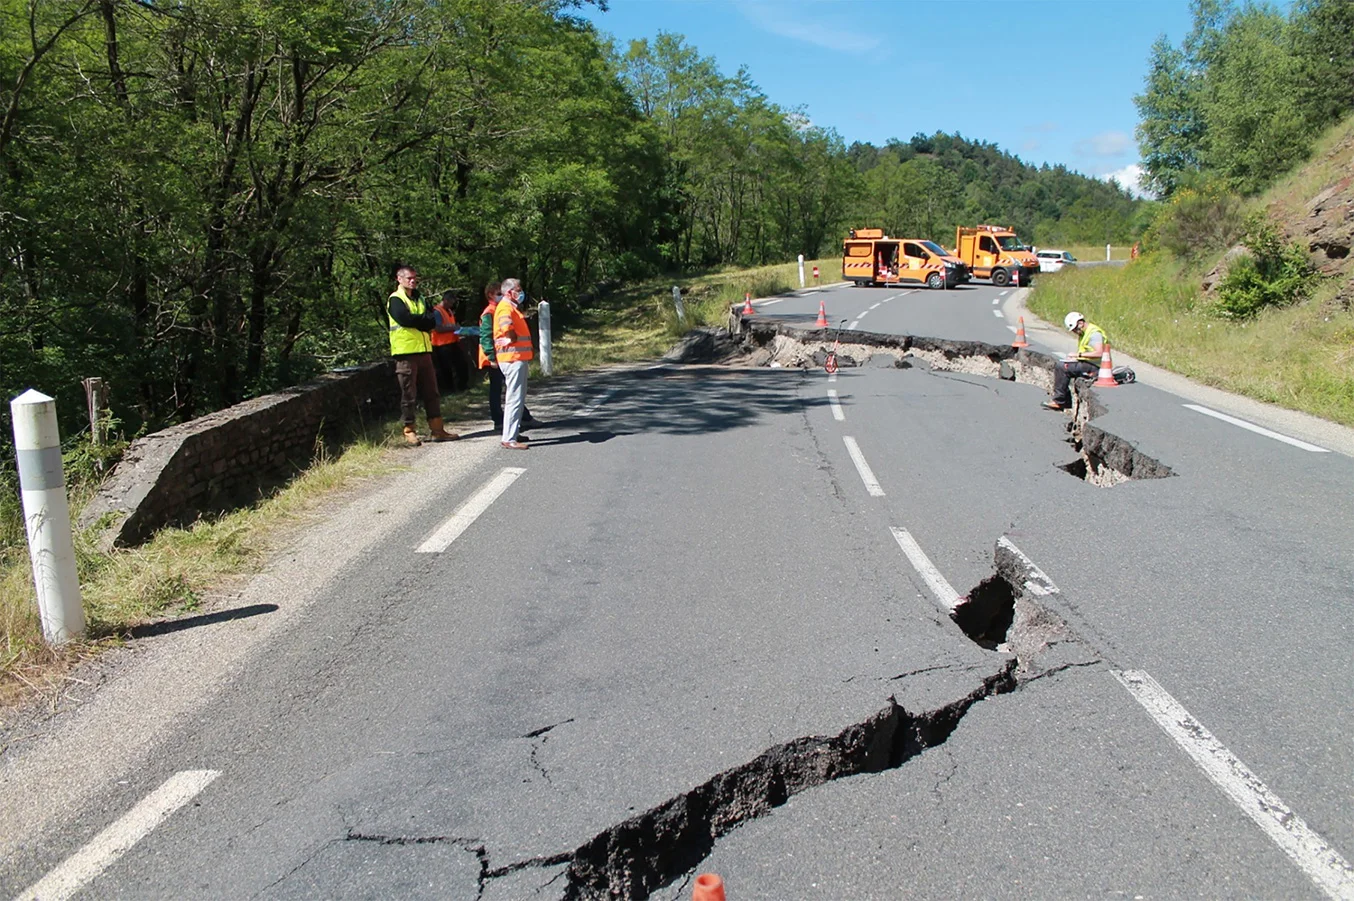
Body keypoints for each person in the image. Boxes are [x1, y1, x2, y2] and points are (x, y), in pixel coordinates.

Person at [388, 264, 458, 445]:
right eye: (409, 278)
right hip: (405, 352)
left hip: (425, 350)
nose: (413, 281)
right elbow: (405, 319)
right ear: (399, 279)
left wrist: (420, 321)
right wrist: (422, 321)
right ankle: (409, 429)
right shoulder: (396, 299)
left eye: (414, 278)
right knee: (409, 393)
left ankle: (437, 429)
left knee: (432, 392)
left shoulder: (420, 298)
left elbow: (431, 320)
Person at [494, 277, 533, 449]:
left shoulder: (509, 306)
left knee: (517, 397)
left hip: (516, 357)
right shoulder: (505, 307)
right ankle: (509, 438)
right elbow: (506, 326)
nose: (521, 292)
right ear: (509, 292)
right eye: (518, 289)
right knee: (514, 398)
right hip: (512, 358)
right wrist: (511, 337)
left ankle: (513, 434)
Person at [1042, 311, 1108, 411]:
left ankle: (1060, 401)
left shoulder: (1094, 334)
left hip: (1095, 366)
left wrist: (1078, 355)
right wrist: (1076, 359)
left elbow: (1099, 353)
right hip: (1088, 363)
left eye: (1075, 329)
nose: (1075, 332)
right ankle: (1063, 400)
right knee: (1063, 364)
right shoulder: (1085, 333)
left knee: (1063, 367)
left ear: (1080, 323)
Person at [431, 288, 470, 395]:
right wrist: (453, 327)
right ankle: (450, 390)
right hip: (442, 345)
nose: (452, 305)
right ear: (446, 300)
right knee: (446, 369)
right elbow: (438, 328)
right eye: (451, 302)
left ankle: (462, 386)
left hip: (452, 342)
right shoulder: (437, 312)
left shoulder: (449, 311)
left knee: (462, 364)